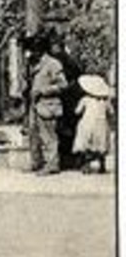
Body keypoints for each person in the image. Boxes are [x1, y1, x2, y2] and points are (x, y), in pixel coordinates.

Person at [28, 35, 69, 175]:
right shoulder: (34, 63)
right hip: (35, 105)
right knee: (34, 135)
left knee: (49, 137)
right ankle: (38, 163)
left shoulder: (53, 64)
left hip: (48, 105)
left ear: (40, 49)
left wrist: (44, 91)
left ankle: (52, 165)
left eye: (34, 49)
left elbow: (63, 84)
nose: (31, 52)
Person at [74, 74, 113, 174]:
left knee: (86, 144)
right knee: (101, 145)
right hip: (101, 124)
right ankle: (102, 165)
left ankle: (86, 166)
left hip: (87, 123)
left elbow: (77, 111)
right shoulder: (105, 101)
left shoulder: (85, 99)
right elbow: (111, 112)